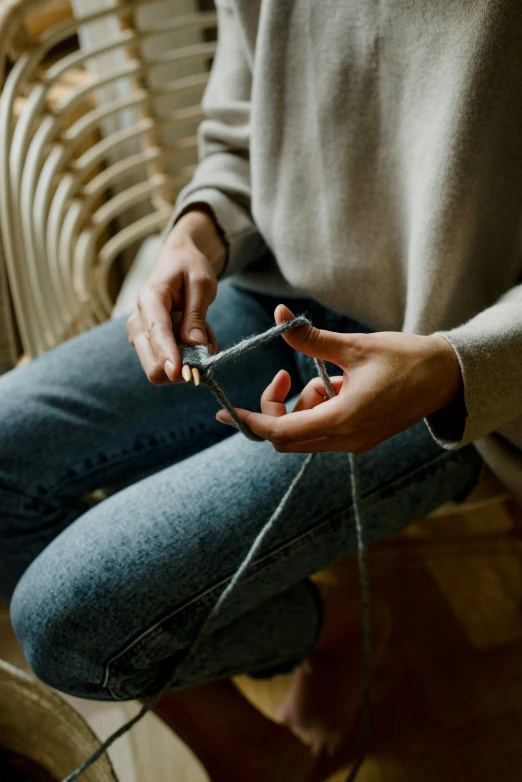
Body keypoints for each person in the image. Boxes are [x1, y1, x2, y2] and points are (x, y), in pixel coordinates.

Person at [2, 0, 521, 779]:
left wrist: (455, 366)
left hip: (457, 365)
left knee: (68, 627)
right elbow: (244, 120)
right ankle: (303, 667)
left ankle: (278, 705)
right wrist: (197, 229)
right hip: (266, 293)